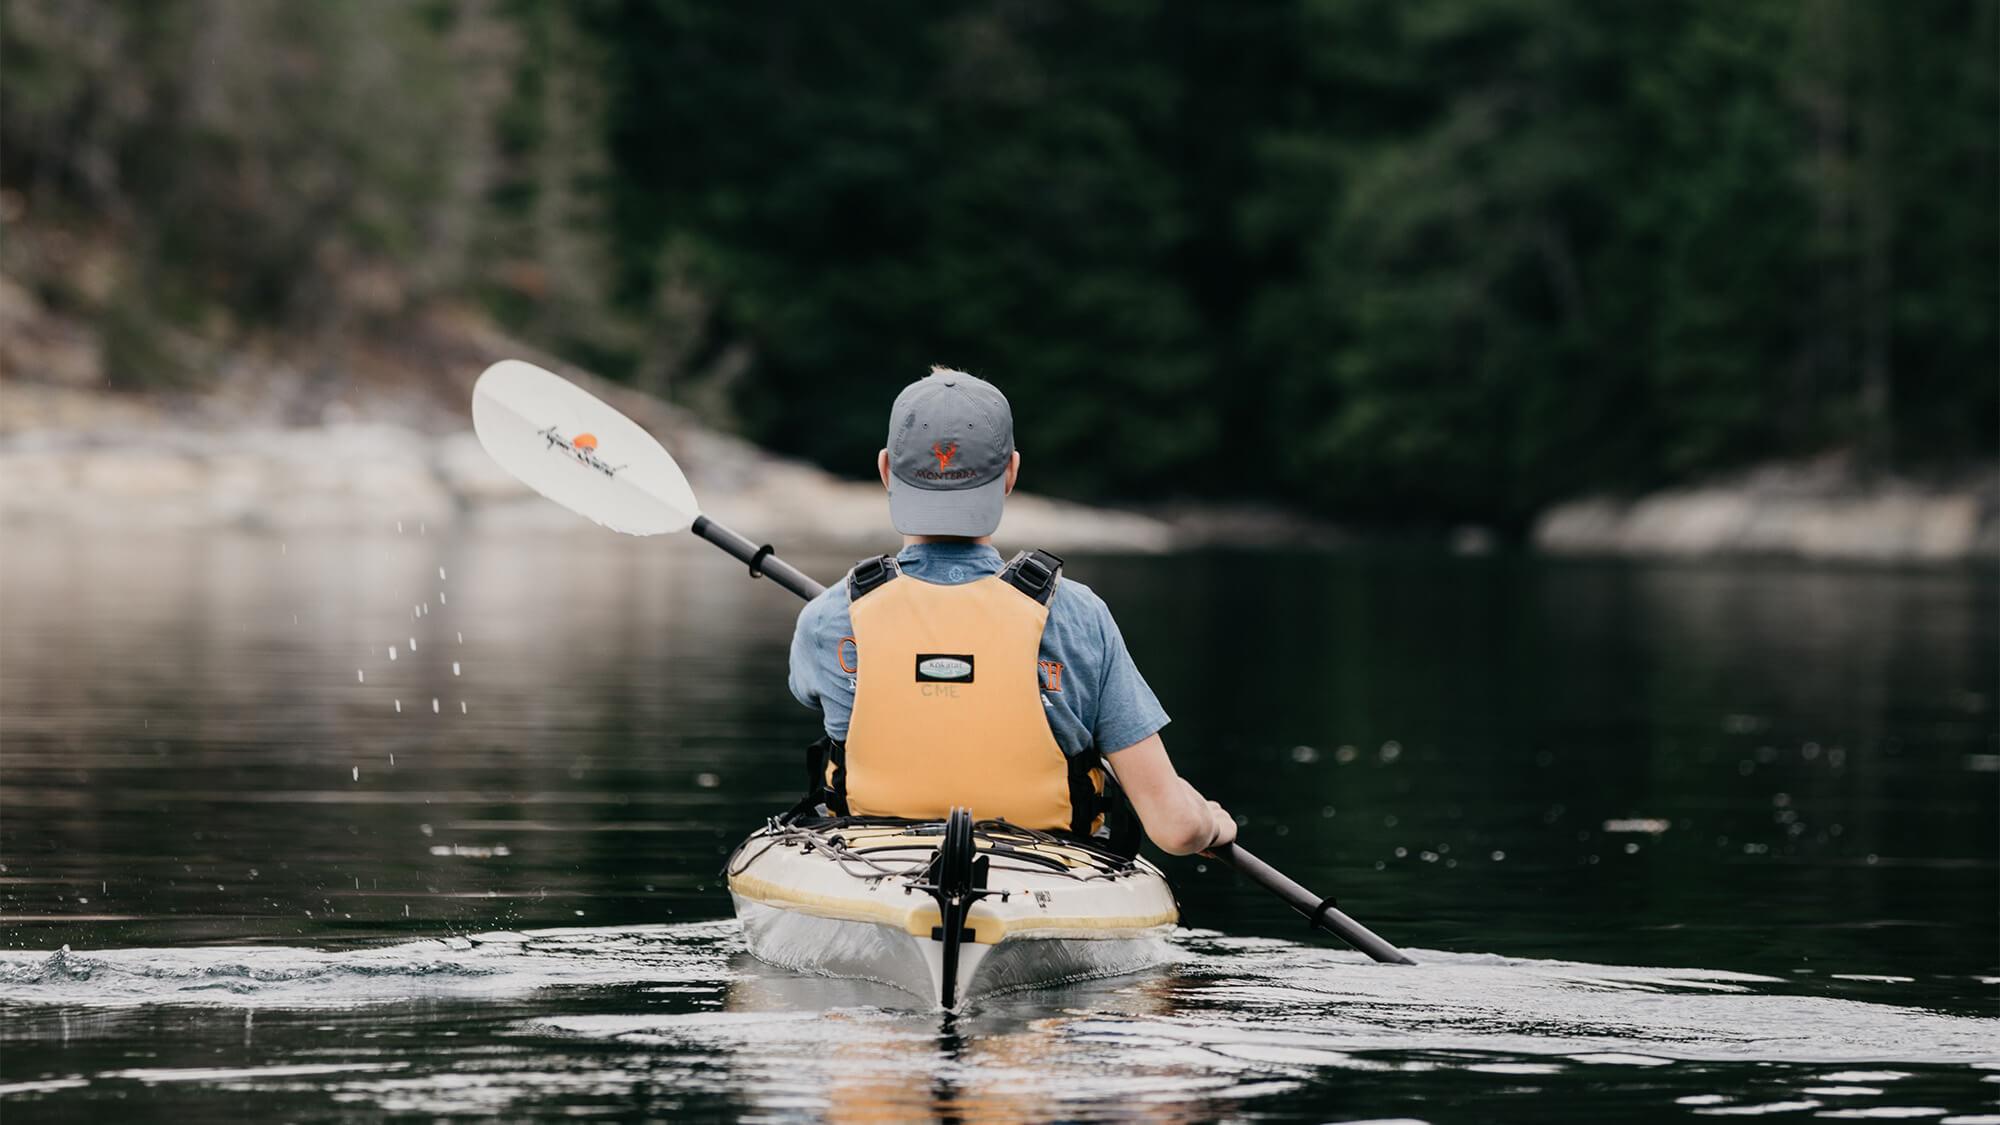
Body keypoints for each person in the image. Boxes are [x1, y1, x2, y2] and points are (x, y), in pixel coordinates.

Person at [787, 366, 1237, 856]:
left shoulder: (829, 617)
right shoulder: (1079, 615)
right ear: (1010, 473)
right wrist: (1211, 823)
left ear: (885, 471)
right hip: (1046, 871)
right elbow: (1176, 830)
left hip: (873, 865)